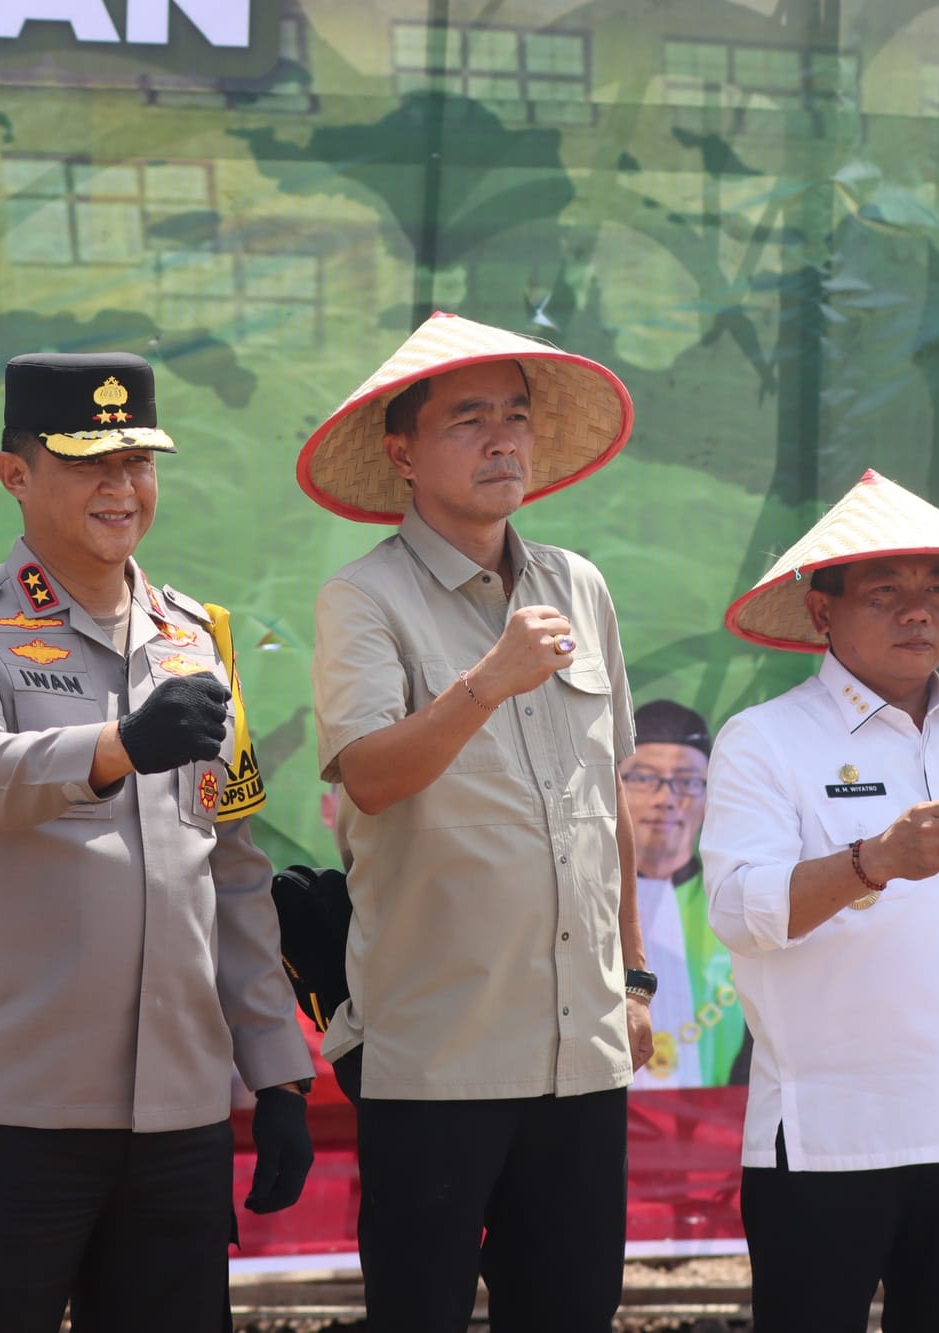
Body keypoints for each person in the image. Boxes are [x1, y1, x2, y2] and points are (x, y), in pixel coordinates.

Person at [0, 352, 315, 1331]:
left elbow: (233, 870)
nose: (119, 487)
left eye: (136, 460)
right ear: (14, 475)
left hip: (177, 1113)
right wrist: (119, 744)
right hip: (11, 1110)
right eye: (88, 461)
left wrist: (278, 1071)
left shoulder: (195, 641)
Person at [301, 311, 650, 1331]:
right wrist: (486, 682)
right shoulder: (362, 599)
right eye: (467, 419)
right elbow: (368, 777)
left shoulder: (576, 584)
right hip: (437, 1051)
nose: (501, 440)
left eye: (514, 416)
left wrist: (630, 978)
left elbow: (607, 800)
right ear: (401, 452)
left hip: (581, 1049)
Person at [702, 469, 939, 1332]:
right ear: (821, 611)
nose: (919, 611)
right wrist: (875, 861)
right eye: (886, 591)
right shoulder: (766, 739)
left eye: (937, 590)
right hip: (828, 1141)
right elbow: (740, 910)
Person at [621, 699, 747, 1089]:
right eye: (643, 778)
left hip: (720, 1128)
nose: (666, 799)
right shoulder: (582, 902)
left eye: (687, 781)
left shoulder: (738, 897)